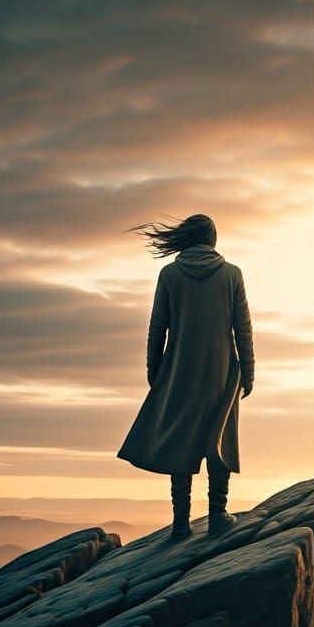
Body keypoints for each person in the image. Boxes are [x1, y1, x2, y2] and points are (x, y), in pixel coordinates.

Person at [117, 213, 255, 539]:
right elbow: (243, 329)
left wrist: (155, 372)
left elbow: (157, 328)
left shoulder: (169, 275)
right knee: (219, 439)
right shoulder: (231, 275)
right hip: (221, 372)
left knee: (180, 439)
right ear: (212, 240)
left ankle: (181, 523)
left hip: (179, 370)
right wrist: (248, 372)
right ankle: (218, 515)